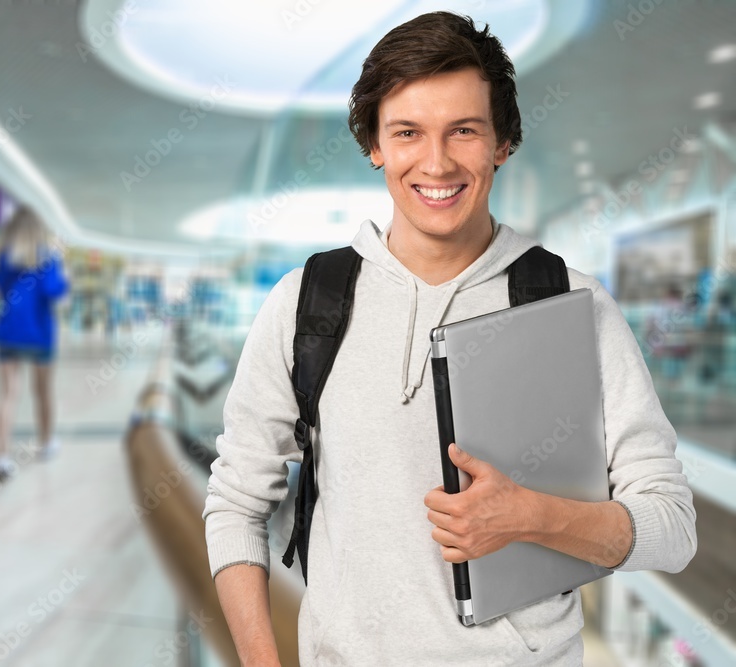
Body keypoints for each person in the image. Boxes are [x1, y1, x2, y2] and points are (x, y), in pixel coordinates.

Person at [203, 12, 697, 666]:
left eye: (463, 131)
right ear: (375, 144)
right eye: (408, 132)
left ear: (502, 143)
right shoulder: (306, 301)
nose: (436, 163)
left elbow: (672, 529)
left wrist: (535, 516)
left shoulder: (569, 304)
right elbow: (236, 499)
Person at [0, 206, 68, 481]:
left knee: (7, 394)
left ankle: (1, 457)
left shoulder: (1, 256)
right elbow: (54, 291)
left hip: (8, 329)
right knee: (43, 390)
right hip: (39, 332)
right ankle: (46, 443)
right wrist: (58, 260)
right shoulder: (48, 256)